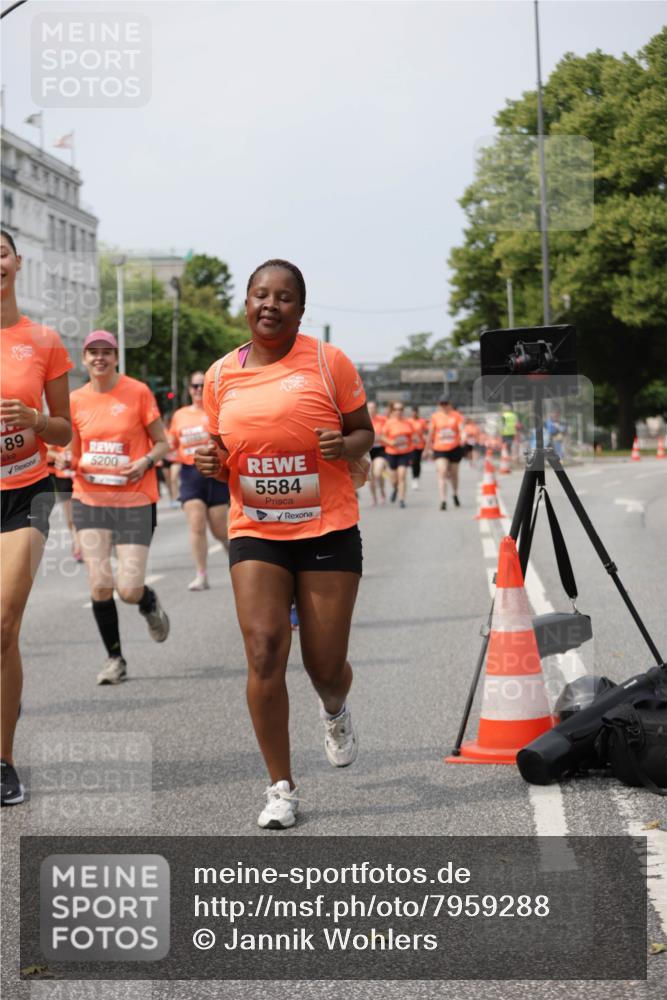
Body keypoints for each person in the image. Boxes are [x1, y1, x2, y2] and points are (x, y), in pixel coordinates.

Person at [195, 259, 373, 829]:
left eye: (285, 297)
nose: (271, 305)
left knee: (324, 665)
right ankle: (281, 787)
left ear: (301, 308)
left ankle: (334, 707)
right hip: (257, 530)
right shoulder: (221, 376)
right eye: (260, 295)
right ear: (245, 304)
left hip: (327, 528)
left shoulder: (328, 361)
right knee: (265, 648)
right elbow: (224, 452)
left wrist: (344, 446)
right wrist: (213, 461)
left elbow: (364, 430)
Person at [1, 229, 74, 806]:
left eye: (0, 252)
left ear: (17, 262)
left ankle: (2, 761)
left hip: (27, 490)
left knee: (3, 623)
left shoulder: (43, 340)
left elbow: (66, 429)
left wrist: (32, 417)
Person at [69, 330, 170, 685]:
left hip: (134, 500)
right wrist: (67, 460)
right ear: (84, 359)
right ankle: (115, 659)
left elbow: (163, 442)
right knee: (99, 582)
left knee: (127, 588)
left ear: (115, 358)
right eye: (92, 352)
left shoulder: (137, 392)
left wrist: (144, 462)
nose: (99, 358)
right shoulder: (75, 400)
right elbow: (73, 453)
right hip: (90, 500)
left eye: (106, 352)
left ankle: (147, 601)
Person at [169, 371, 229, 590]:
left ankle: (232, 552)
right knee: (196, 525)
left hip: (216, 473)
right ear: (189, 389)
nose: (197, 390)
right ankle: (201, 574)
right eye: (194, 386)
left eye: (202, 386)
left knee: (220, 530)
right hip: (191, 474)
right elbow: (171, 444)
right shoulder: (180, 415)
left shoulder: (218, 413)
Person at [428, 397, 465, 510]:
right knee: (442, 472)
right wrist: (427, 448)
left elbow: (461, 429)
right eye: (442, 404)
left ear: (450, 404)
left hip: (454, 448)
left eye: (446, 403)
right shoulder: (435, 417)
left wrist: (463, 437)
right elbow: (430, 433)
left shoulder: (456, 415)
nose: (444, 406)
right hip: (440, 448)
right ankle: (443, 500)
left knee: (454, 474)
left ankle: (455, 494)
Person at [47, 442, 81, 560]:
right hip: (63, 477)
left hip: (80, 474)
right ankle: (76, 542)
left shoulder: (82, 425)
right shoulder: (62, 424)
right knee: (70, 515)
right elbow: (48, 450)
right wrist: (59, 456)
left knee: (83, 512)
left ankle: (80, 544)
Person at [382, 401, 414, 508]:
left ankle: (401, 499)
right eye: (396, 409)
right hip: (392, 453)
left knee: (402, 475)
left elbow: (412, 436)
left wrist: (412, 442)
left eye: (400, 409)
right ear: (392, 411)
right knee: (394, 478)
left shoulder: (408, 422)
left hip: (405, 453)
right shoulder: (389, 422)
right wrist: (390, 442)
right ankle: (395, 488)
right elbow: (382, 436)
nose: (398, 411)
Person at [367, 400, 387, 505]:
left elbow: (389, 431)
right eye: (369, 408)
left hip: (380, 449)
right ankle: (374, 497)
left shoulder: (382, 420)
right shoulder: (364, 420)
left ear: (376, 409)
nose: (371, 410)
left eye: (373, 407)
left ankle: (382, 491)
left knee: (378, 473)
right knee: (371, 476)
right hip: (367, 450)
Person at [409, 405, 428, 490]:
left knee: (418, 462)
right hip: (411, 445)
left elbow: (426, 432)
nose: (414, 413)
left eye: (416, 412)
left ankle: (416, 478)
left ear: (418, 412)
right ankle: (414, 478)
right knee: (413, 461)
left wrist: (425, 438)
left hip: (420, 445)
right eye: (413, 412)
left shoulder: (422, 421)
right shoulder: (408, 421)